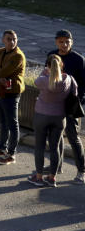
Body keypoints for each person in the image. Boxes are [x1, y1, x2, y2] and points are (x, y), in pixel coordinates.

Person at [29, 54, 78, 187]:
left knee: (39, 146)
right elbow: (75, 92)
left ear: (48, 66)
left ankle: (38, 177)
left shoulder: (44, 79)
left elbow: (36, 82)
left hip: (42, 115)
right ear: (61, 65)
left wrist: (46, 71)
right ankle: (52, 178)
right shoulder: (68, 79)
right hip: (59, 117)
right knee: (55, 147)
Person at [48, 29, 85, 183]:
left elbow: (83, 85)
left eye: (67, 42)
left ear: (72, 42)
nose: (64, 44)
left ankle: (81, 171)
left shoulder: (78, 59)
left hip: (71, 104)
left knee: (72, 137)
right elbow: (47, 77)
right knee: (55, 136)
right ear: (56, 42)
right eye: (61, 41)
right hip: (55, 103)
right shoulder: (51, 56)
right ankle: (56, 166)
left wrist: (77, 102)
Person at [0, 30, 26, 165]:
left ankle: (11, 153)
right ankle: (2, 148)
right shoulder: (0, 51)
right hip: (0, 90)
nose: (12, 41)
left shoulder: (18, 56)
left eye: (14, 39)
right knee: (3, 121)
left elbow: (3, 71)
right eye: (9, 39)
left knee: (13, 123)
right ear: (3, 40)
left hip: (12, 93)